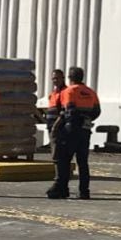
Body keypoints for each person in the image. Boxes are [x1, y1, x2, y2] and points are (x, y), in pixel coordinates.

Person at [47, 66, 100, 200]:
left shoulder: (69, 91)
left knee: (64, 160)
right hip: (85, 130)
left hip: (70, 130)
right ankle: (84, 191)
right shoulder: (91, 92)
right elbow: (97, 111)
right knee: (83, 162)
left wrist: (57, 127)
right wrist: (86, 119)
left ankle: (62, 188)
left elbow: (68, 111)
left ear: (70, 78)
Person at [44, 68, 65, 145]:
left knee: (58, 150)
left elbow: (64, 111)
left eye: (57, 78)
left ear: (62, 78)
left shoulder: (65, 92)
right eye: (53, 79)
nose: (55, 81)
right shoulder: (53, 93)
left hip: (59, 126)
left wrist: (56, 125)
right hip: (51, 124)